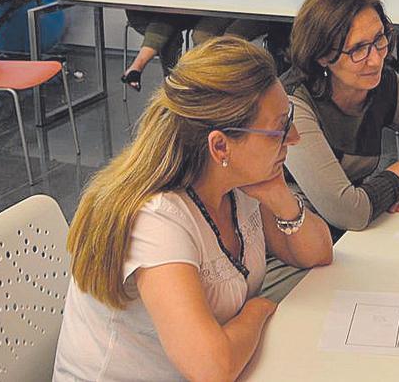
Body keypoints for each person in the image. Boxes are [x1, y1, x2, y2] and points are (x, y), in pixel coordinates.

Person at [54, 37, 333, 382]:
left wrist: (279, 195)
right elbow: (211, 368)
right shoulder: (157, 219)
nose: (293, 137)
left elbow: (318, 254)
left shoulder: (234, 182)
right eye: (278, 129)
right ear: (220, 146)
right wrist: (258, 309)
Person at [258, 0, 399, 300]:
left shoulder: (382, 85)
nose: (376, 59)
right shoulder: (294, 105)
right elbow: (346, 210)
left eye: (380, 39)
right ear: (322, 55)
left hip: (353, 235)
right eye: (357, 49)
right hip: (291, 248)